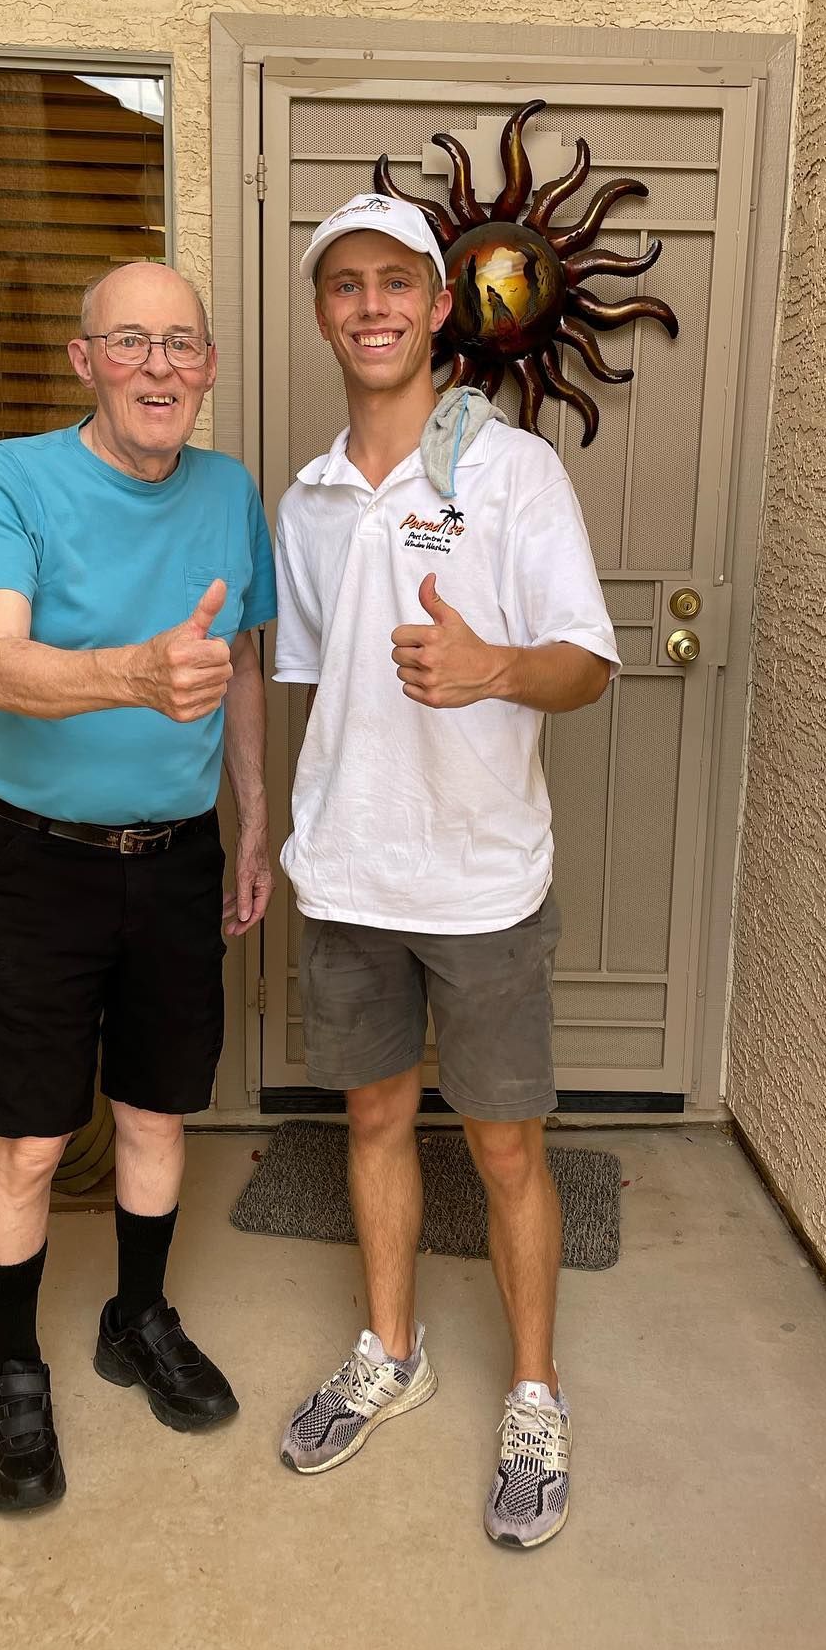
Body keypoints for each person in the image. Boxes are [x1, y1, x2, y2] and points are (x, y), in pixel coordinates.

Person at [273, 195, 618, 1547]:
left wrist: (491, 669)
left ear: (436, 308)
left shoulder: (512, 470)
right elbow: (307, 682)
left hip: (481, 882)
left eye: (395, 284)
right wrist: (273, 835)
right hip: (350, 874)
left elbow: (588, 663)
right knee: (369, 1123)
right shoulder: (307, 501)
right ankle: (393, 1353)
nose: (370, 306)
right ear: (324, 314)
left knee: (507, 1146)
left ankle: (534, 1394)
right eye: (345, 286)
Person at [0, 260, 275, 1512]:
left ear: (205, 367)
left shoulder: (229, 489)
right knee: (30, 1138)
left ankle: (137, 1318)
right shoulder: (12, 476)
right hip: (41, 861)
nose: (157, 367)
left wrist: (252, 820)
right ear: (85, 360)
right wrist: (133, 674)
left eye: (180, 344)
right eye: (129, 342)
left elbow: (239, 659)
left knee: (155, 1114)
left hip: (179, 857)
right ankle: (15, 1367)